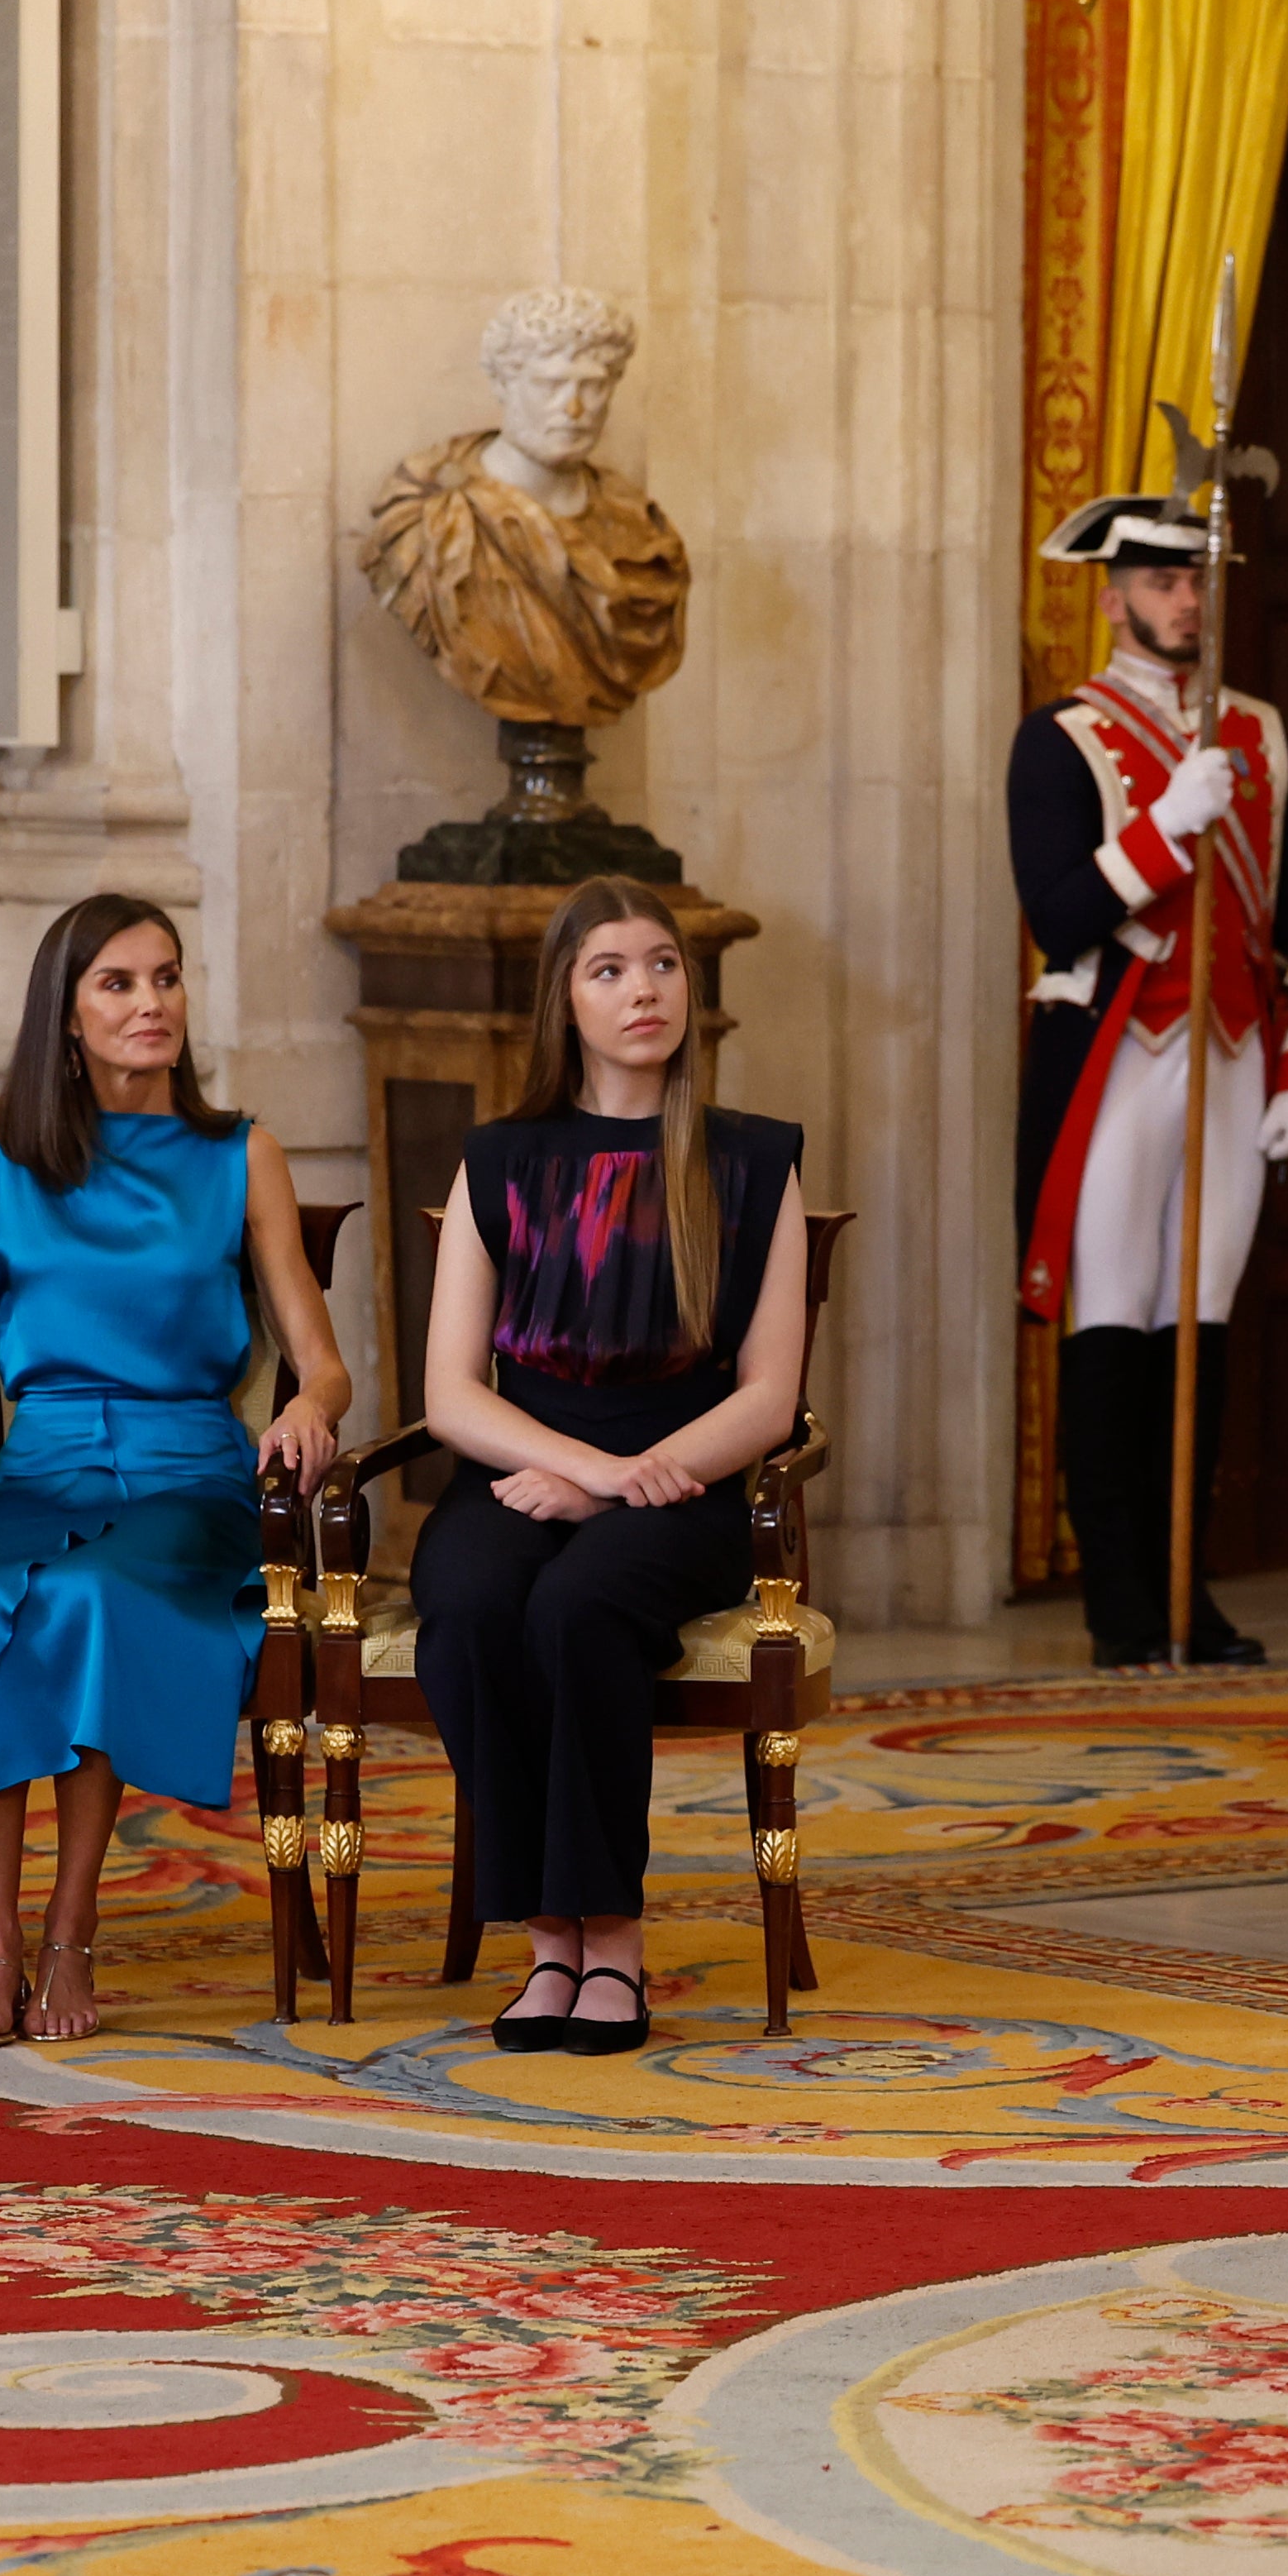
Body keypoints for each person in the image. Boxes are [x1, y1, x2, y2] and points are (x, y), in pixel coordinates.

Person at [0, 896, 348, 2048]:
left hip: (188, 1479)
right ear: (64, 1015)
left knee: (88, 1602)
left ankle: (71, 1927)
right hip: (45, 1473)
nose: (151, 1004)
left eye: (165, 979)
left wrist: (309, 1411)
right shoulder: (0, 1170)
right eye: (118, 984)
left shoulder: (238, 1154)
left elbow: (324, 1365)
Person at [414, 874, 813, 2056]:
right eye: (609, 970)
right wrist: (578, 1469)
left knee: (581, 1606)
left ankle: (616, 1946)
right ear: (565, 1003)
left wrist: (616, 1481)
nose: (643, 989)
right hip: (523, 1462)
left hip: (685, 1483)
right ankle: (549, 1939)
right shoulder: (499, 1160)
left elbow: (770, 1397)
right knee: (474, 1604)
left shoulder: (754, 1162)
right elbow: (448, 1395)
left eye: (661, 965)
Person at [1009, 492, 1288, 1668]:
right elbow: (1057, 913)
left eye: (1196, 577)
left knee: (1199, 1323)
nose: (1184, 598)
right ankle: (1123, 1609)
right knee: (1114, 1320)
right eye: (1158, 579)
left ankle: (1191, 1598)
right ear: (1113, 596)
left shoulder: (1259, 731)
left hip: (1240, 1051)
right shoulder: (1065, 739)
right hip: (1117, 1055)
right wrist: (1166, 826)